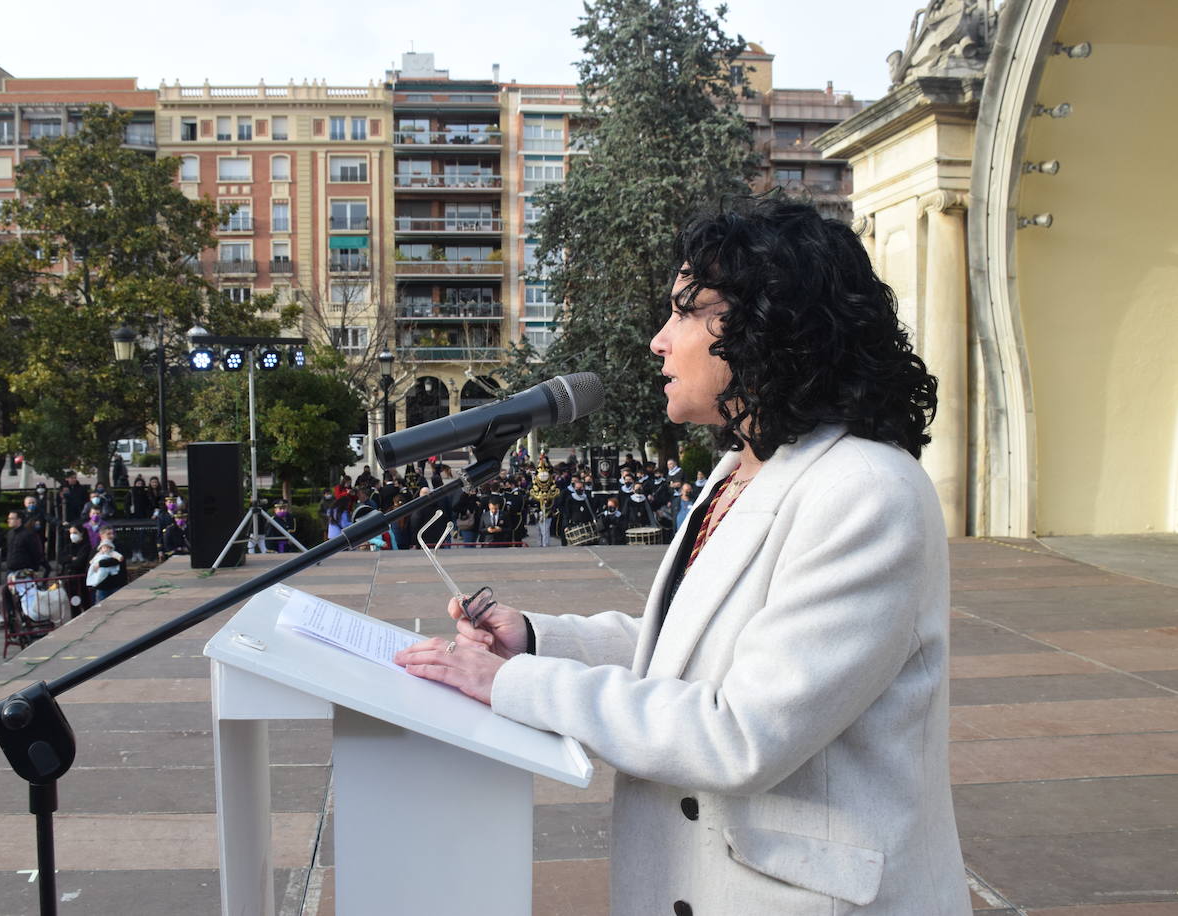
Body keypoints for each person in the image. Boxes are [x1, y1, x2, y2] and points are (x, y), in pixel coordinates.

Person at [396, 199, 969, 914]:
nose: (658, 342)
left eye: (683, 312)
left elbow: (741, 732)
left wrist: (514, 685)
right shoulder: (743, 466)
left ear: (766, 323)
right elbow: (692, 650)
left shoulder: (867, 491)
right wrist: (540, 640)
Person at [59, 524, 93, 615]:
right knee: (74, 604)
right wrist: (71, 558)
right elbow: (60, 559)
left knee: (86, 603)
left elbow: (79, 563)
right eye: (71, 533)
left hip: (82, 581)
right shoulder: (69, 546)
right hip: (70, 580)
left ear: (81, 533)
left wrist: (70, 561)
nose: (72, 535)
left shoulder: (86, 546)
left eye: (75, 533)